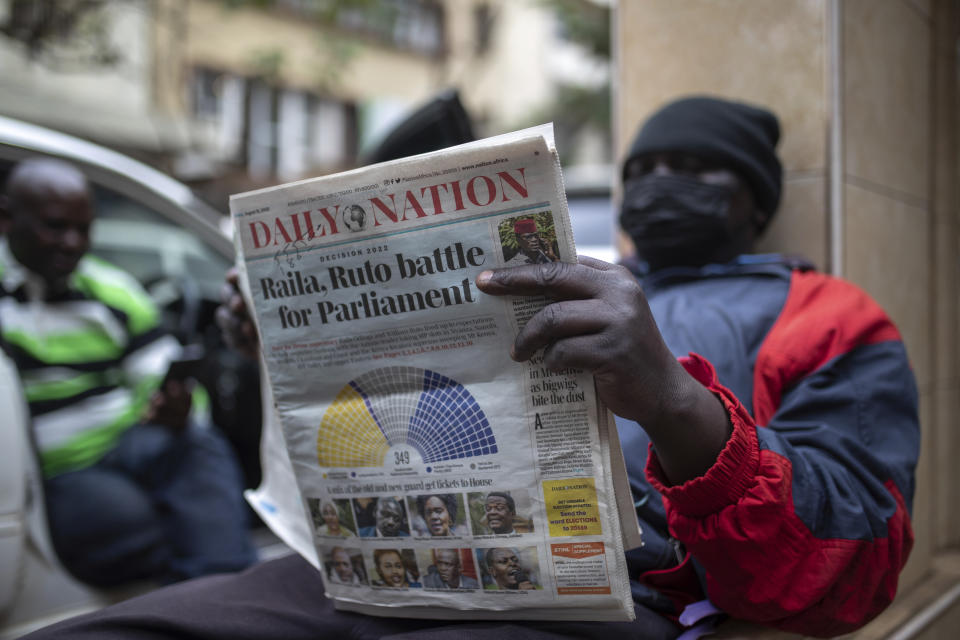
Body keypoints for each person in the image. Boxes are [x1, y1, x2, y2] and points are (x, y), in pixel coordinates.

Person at [25, 95, 919, 639]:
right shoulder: (557, 275)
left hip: (596, 603)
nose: (657, 184)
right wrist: (292, 349)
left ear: (755, 197)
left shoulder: (826, 312)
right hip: (380, 575)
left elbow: (859, 559)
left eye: (695, 168)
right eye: (642, 166)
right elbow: (396, 415)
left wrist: (677, 404)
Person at [0, 158, 255, 587]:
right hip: (58, 471)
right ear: (6, 218)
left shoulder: (113, 293)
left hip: (128, 442)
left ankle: (225, 595)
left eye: (84, 229)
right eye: (55, 226)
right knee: (132, 518)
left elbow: (159, 374)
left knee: (197, 444)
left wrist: (177, 406)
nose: (72, 243)